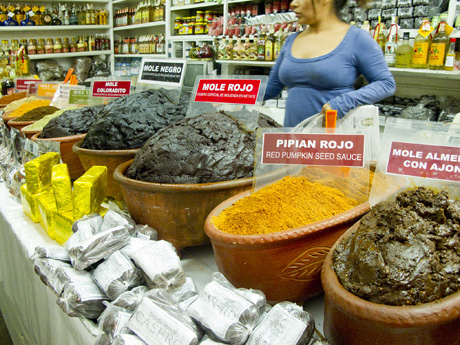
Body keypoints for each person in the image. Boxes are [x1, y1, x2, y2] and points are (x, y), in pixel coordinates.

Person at [264, 0, 397, 127]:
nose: (293, 4)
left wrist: (343, 103)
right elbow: (271, 87)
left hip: (332, 144)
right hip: (292, 141)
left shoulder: (357, 39)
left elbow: (386, 83)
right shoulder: (291, 40)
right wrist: (243, 93)